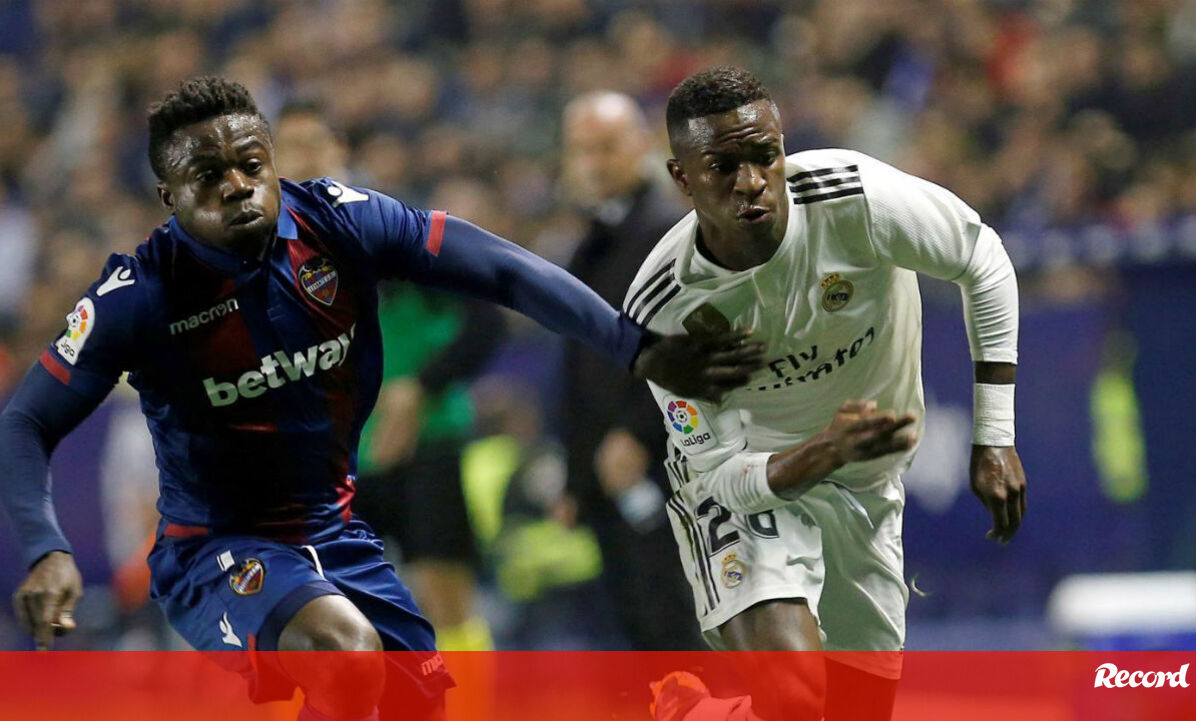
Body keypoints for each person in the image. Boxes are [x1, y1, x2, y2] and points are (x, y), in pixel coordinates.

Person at [0, 76, 764, 721]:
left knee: (413, 700)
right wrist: (44, 545)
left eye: (251, 164)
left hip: (335, 530)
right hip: (219, 545)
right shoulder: (138, 296)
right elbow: (27, 418)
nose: (237, 185)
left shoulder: (338, 220)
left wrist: (639, 348)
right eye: (208, 176)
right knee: (345, 650)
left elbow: (503, 269)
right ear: (169, 195)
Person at [633, 67, 1027, 721]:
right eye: (722, 166)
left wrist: (995, 435)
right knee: (794, 700)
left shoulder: (856, 199)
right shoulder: (663, 309)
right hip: (753, 482)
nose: (751, 181)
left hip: (866, 485)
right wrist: (822, 450)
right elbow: (721, 478)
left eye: (765, 156)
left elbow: (982, 260)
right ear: (682, 177)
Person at [275, 100, 500, 653]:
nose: (303, 159)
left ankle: (472, 700)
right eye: (289, 149)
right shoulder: (271, 258)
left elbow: (484, 320)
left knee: (444, 592)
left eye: (313, 144)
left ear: (340, 150)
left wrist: (418, 389)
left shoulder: (391, 227)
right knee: (341, 610)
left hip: (425, 439)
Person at [558, 91, 703, 650]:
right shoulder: (589, 244)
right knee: (634, 625)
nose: (594, 163)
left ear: (642, 145)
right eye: (582, 150)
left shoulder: (672, 233)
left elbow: (688, 344)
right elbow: (579, 362)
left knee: (676, 613)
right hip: (605, 474)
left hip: (666, 463)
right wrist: (575, 476)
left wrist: (638, 433)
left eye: (607, 147)